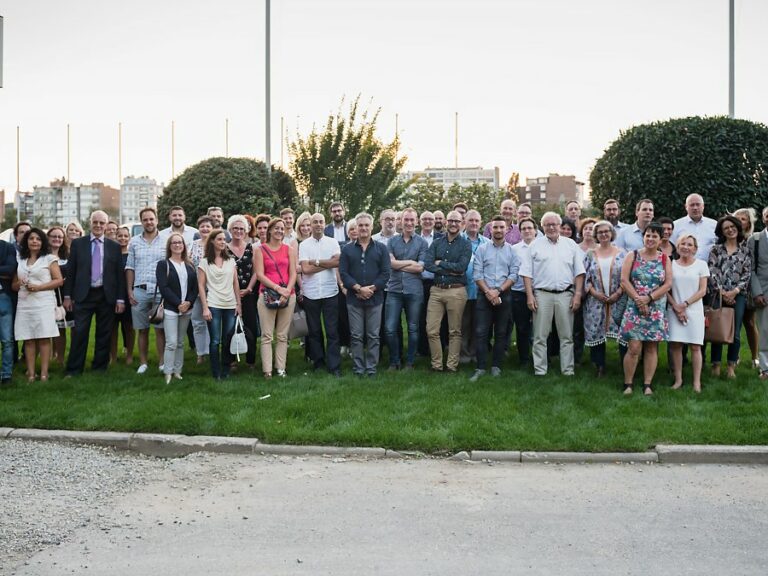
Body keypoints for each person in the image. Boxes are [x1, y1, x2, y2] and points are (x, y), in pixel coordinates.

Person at [521, 212, 585, 376]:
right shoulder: (534, 245)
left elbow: (579, 272)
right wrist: (530, 296)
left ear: (559, 226)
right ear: (542, 227)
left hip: (566, 294)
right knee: (540, 335)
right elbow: (526, 273)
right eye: (547, 225)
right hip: (542, 295)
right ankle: (540, 370)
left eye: (554, 224)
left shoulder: (571, 245)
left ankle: (568, 370)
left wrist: (577, 295)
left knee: (566, 335)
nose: (551, 227)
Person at [63, 210, 126, 376]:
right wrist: (67, 296)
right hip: (83, 295)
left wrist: (120, 299)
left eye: (101, 223)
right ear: (90, 223)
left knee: (104, 333)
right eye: (95, 222)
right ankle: (74, 369)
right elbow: (71, 271)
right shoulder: (78, 244)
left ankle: (99, 368)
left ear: (106, 225)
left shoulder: (114, 247)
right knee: (79, 332)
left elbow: (119, 275)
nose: (98, 225)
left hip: (106, 295)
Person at [619, 222, 672, 395]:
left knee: (651, 347)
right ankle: (628, 384)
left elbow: (668, 284)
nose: (650, 238)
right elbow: (624, 280)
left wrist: (648, 298)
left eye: (654, 236)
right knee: (634, 347)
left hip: (655, 308)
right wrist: (639, 300)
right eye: (648, 235)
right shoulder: (632, 255)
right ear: (643, 237)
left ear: (660, 239)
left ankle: (647, 384)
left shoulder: (664, 259)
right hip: (634, 307)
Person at [339, 212, 391, 377]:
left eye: (366, 225)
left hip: (375, 299)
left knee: (373, 335)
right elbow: (343, 273)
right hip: (354, 299)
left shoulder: (381, 248)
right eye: (360, 225)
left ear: (371, 227)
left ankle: (371, 367)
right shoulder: (347, 249)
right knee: (356, 335)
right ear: (356, 227)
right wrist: (358, 288)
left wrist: (371, 289)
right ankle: (359, 367)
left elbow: (386, 273)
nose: (363, 228)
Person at [470, 215, 518, 381]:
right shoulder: (482, 249)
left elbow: (514, 275)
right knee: (481, 332)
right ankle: (481, 367)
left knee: (501, 332)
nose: (498, 230)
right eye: (495, 227)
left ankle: (496, 366)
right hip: (484, 294)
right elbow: (477, 274)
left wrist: (498, 291)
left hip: (504, 294)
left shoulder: (512, 250)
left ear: (506, 229)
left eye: (501, 227)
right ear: (490, 229)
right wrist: (489, 292)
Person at [424, 210, 472, 372]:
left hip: (456, 291)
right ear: (446, 222)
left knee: (455, 331)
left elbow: (461, 267)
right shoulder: (437, 242)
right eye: (451, 220)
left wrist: (440, 263)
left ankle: (452, 366)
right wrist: (450, 270)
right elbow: (428, 264)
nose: (453, 224)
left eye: (457, 221)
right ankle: (436, 365)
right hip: (436, 291)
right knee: (431, 330)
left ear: (462, 224)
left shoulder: (465, 244)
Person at [13, 228, 63, 382]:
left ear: (42, 242)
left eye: (38, 239)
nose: (34, 241)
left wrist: (39, 287)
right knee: (28, 339)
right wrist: (19, 283)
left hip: (43, 303)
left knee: (43, 338)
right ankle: (31, 374)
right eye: (31, 238)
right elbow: (14, 285)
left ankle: (44, 374)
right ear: (26, 241)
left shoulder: (49, 259)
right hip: (24, 304)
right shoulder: (20, 260)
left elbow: (59, 280)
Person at [708, 215, 751, 379]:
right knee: (718, 328)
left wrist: (735, 291)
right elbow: (712, 271)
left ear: (737, 228)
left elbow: (747, 273)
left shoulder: (745, 250)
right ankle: (716, 364)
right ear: (722, 232)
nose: (730, 230)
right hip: (718, 294)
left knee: (736, 331)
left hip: (738, 295)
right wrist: (722, 292)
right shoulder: (716, 249)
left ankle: (731, 366)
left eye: (732, 227)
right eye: (726, 228)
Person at [299, 213, 342, 376]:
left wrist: (315, 262)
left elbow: (337, 262)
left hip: (330, 292)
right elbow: (305, 269)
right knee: (314, 331)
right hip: (311, 293)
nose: (318, 224)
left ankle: (334, 366)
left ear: (325, 224)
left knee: (332, 331)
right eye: (315, 222)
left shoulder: (332, 242)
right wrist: (327, 263)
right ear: (310, 225)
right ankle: (318, 363)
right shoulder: (304, 245)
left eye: (321, 222)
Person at [385, 207, 427, 371]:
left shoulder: (422, 243)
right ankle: (394, 361)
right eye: (406, 219)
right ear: (400, 221)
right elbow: (391, 264)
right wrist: (410, 262)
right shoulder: (392, 242)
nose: (409, 223)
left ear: (416, 222)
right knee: (390, 328)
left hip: (414, 291)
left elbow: (420, 268)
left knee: (413, 328)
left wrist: (398, 264)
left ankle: (410, 362)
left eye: (412, 220)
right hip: (394, 290)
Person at [254, 218, 297, 378]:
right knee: (266, 335)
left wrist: (287, 291)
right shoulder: (260, 250)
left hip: (288, 296)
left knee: (282, 335)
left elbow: (293, 273)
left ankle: (280, 368)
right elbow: (259, 274)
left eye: (282, 228)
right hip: (267, 295)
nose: (279, 231)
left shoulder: (289, 249)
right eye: (276, 228)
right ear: (270, 230)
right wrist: (278, 289)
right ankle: (267, 371)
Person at [125, 207, 166, 374]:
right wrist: (130, 290)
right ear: (141, 222)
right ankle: (143, 363)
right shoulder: (134, 242)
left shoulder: (166, 240)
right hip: (139, 291)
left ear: (157, 220)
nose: (149, 222)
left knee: (160, 329)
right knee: (142, 329)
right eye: (145, 220)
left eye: (151, 219)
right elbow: (130, 267)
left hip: (160, 290)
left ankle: (162, 362)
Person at [667, 234, 709, 392]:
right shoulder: (670, 264)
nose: (686, 247)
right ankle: (678, 380)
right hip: (673, 310)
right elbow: (666, 289)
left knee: (696, 347)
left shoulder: (701, 265)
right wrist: (676, 307)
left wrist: (684, 305)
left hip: (694, 311)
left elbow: (703, 290)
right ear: (677, 247)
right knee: (675, 346)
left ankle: (696, 382)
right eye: (682, 244)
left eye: (689, 244)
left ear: (695, 249)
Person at [197, 229, 241, 380]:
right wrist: (205, 307)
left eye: (224, 239)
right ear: (212, 241)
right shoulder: (204, 262)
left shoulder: (231, 261)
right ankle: (216, 372)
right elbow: (201, 286)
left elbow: (236, 284)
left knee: (227, 339)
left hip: (230, 304)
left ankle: (226, 370)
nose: (223, 242)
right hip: (213, 304)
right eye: (220, 239)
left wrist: (238, 304)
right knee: (215, 341)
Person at [583, 221, 625, 377]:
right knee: (596, 331)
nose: (603, 234)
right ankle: (599, 366)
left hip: (618, 300)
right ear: (596, 235)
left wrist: (618, 293)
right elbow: (585, 277)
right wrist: (595, 293)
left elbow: (627, 277)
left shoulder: (622, 253)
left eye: (606, 231)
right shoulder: (590, 254)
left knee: (623, 333)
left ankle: (625, 364)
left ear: (612, 233)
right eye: (600, 232)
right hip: (596, 301)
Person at [157, 232, 198, 384]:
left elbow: (195, 287)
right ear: (169, 246)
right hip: (171, 308)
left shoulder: (190, 265)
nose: (177, 245)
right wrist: (178, 304)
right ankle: (168, 372)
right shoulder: (164, 264)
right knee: (171, 342)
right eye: (174, 243)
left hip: (187, 309)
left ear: (184, 245)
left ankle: (177, 371)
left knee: (180, 342)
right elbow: (164, 287)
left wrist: (188, 302)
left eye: (180, 242)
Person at [226, 215, 259, 369]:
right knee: (230, 328)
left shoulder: (252, 248)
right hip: (229, 295)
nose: (238, 231)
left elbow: (256, 272)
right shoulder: (224, 249)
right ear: (230, 230)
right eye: (235, 228)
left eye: (241, 228)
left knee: (251, 327)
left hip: (249, 294)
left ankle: (250, 361)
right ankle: (231, 360)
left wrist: (249, 288)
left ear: (246, 231)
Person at [460, 210, 489, 364]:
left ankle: (475, 353)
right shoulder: (457, 240)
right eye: (471, 220)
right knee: (462, 325)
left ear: (480, 223)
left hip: (481, 291)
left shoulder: (487, 243)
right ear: (464, 222)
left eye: (477, 221)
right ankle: (464, 355)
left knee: (479, 326)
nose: (474, 223)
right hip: (462, 290)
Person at [509, 217, 537, 366]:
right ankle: (524, 358)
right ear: (520, 232)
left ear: (535, 230)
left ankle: (541, 357)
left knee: (541, 328)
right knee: (522, 327)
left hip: (539, 292)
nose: (527, 231)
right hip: (518, 293)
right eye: (523, 229)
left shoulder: (542, 246)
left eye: (529, 228)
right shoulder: (514, 249)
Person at [734, 207, 759, 368]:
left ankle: (755, 357)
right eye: (737, 218)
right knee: (733, 323)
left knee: (749, 322)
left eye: (743, 219)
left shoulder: (753, 240)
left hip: (749, 286)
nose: (739, 221)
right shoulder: (728, 238)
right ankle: (734, 356)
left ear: (749, 224)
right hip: (732, 286)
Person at [47, 225, 72, 367]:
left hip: (65, 296)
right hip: (47, 295)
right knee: (50, 328)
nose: (57, 239)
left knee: (62, 327)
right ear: (48, 238)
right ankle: (50, 355)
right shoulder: (42, 256)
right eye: (54, 236)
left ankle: (60, 359)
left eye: (60, 237)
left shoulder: (67, 257)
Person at [189, 216, 213, 364]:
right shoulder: (193, 245)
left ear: (213, 228)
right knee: (197, 321)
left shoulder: (217, 244)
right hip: (197, 288)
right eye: (202, 226)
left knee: (212, 322)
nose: (205, 229)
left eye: (208, 226)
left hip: (214, 289)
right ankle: (200, 353)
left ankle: (212, 350)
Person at [748, 207, 768, 379]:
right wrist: (757, 292)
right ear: (763, 218)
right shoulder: (755, 240)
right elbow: (751, 269)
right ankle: (765, 368)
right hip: (763, 291)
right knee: (765, 330)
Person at [110, 226, 134, 365]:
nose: (122, 238)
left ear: (129, 238)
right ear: (115, 236)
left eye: (125, 236)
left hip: (128, 294)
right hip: (112, 295)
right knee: (112, 328)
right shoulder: (111, 254)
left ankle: (129, 355)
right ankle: (112, 357)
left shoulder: (132, 255)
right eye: (120, 236)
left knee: (128, 327)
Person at [671, 193, 717, 261]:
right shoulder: (676, 225)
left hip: (709, 266)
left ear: (703, 206)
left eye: (698, 204)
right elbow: (671, 247)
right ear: (686, 207)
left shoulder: (714, 225)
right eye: (692, 205)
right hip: (684, 266)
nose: (695, 208)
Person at [0, 237, 17, 386]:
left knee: (7, 340)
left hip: (3, 297)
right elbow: (4, 270)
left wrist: (5, 271)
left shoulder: (7, 247)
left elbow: (10, 270)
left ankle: (6, 375)